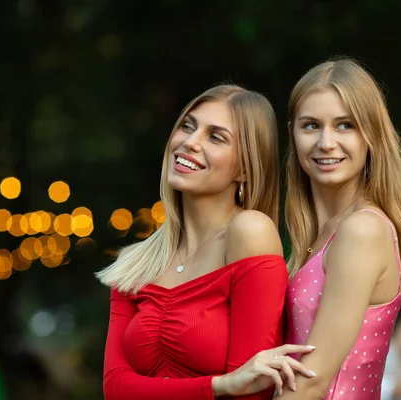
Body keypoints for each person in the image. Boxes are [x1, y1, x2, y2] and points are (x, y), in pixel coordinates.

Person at [95, 84, 316, 400]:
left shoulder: (250, 232)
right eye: (187, 126)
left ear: (244, 169)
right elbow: (115, 388)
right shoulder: (136, 262)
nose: (189, 142)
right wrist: (219, 386)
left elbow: (254, 389)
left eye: (216, 137)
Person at [271, 58, 401, 399]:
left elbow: (312, 380)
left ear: (371, 133)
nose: (326, 142)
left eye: (345, 125)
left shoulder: (362, 230)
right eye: (311, 125)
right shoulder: (322, 232)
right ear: (292, 133)